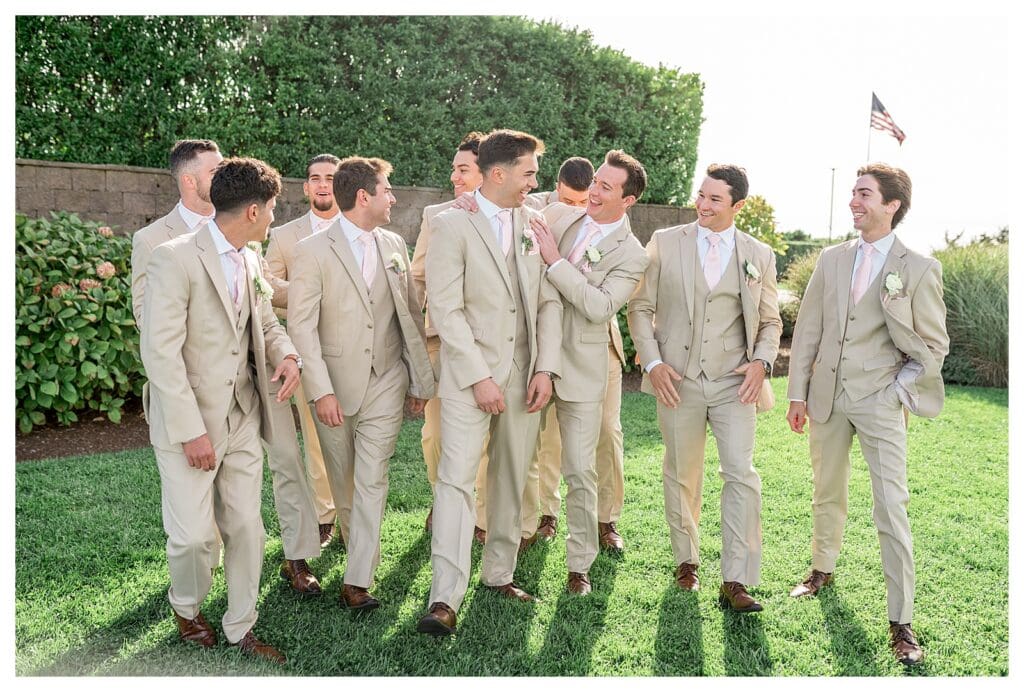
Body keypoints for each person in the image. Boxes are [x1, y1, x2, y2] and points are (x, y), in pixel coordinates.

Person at [786, 163, 949, 665]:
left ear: (891, 205)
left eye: (864, 194)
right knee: (826, 490)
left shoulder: (918, 267)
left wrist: (898, 391)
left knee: (891, 509)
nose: (854, 202)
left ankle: (901, 621)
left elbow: (934, 346)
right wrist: (797, 394)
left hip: (880, 402)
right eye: (854, 193)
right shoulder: (833, 259)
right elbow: (808, 330)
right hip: (827, 397)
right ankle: (821, 569)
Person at [140, 157, 300, 664]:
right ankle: (187, 609)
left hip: (243, 414)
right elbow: (160, 352)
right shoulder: (173, 258)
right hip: (189, 422)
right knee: (191, 539)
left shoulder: (251, 260)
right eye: (273, 209)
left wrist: (287, 353)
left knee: (247, 527)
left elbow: (264, 324)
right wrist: (191, 432)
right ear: (252, 210)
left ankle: (241, 624)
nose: (276, 217)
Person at [416, 129, 562, 635]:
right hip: (466, 379)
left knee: (512, 477)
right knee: (456, 482)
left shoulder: (536, 222)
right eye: (529, 173)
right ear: (498, 174)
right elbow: (446, 309)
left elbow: (546, 301)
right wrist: (478, 376)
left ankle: (500, 574)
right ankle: (444, 599)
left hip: (525, 376)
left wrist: (544, 368)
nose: (535, 182)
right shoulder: (449, 224)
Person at [627, 164, 781, 613]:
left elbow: (770, 321)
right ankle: (687, 560)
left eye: (715, 199)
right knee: (681, 472)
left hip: (736, 383)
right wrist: (653, 363)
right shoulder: (664, 243)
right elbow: (640, 307)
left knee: (741, 474)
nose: (703, 204)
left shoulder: (760, 254)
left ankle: (737, 578)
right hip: (678, 379)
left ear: (738, 205)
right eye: (701, 195)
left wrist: (761, 362)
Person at [288, 156, 435, 610]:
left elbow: (409, 314)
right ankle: (352, 549)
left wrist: (417, 381)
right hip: (334, 382)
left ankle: (357, 581)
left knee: (373, 476)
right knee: (343, 478)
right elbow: (302, 327)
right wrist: (321, 390)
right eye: (387, 190)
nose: (394, 198)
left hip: (387, 378)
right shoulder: (311, 251)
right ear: (363, 196)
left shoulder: (394, 243)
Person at [526, 149, 649, 593]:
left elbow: (598, 307)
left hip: (582, 366)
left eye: (605, 187)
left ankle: (579, 566)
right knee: (520, 458)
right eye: (595, 181)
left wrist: (555, 262)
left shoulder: (633, 255)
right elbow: (510, 209)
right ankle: (519, 535)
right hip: (531, 358)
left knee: (580, 468)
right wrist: (464, 200)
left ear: (628, 200)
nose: (594, 192)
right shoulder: (559, 214)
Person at [410, 133, 492, 543]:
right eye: (455, 169)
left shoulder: (520, 214)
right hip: (440, 342)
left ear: (488, 173)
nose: (454, 176)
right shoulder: (435, 214)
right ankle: (443, 499)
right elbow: (419, 276)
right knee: (435, 433)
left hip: (495, 345)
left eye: (463, 169)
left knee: (487, 439)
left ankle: (478, 514)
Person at [265, 153, 345, 552]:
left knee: (358, 436)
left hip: (353, 350)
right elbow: (266, 283)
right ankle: (326, 515)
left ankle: (354, 515)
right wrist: (308, 293)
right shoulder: (284, 236)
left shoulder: (356, 227)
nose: (322, 185)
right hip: (304, 345)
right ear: (306, 187)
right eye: (315, 178)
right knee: (315, 435)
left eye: (330, 178)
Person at [131, 139, 223, 329]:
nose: (224, 178)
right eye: (215, 173)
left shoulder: (239, 224)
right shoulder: (150, 240)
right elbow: (145, 317)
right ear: (189, 180)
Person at [524, 156, 593, 210]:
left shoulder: (599, 212)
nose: (576, 208)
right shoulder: (531, 206)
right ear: (557, 188)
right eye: (569, 202)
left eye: (583, 202)